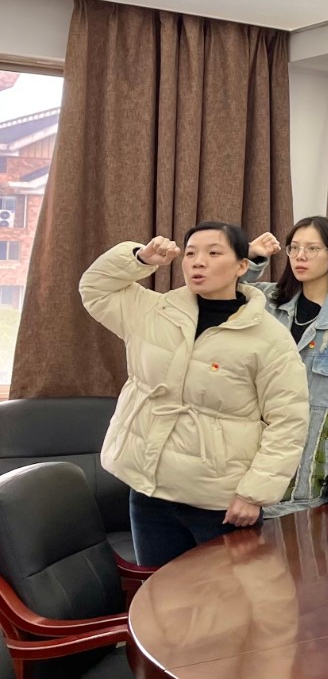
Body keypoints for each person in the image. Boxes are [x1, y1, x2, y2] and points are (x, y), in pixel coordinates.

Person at [79, 223, 309, 567]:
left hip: (220, 503)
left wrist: (254, 493)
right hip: (150, 490)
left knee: (225, 597)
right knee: (157, 591)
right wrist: (140, 258)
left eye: (214, 253)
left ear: (241, 266)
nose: (198, 261)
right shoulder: (153, 312)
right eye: (190, 253)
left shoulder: (269, 338)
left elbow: (288, 422)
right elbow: (95, 288)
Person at [241, 217, 328, 514]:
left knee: (300, 542)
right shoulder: (267, 301)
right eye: (294, 248)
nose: (300, 256)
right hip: (251, 456)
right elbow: (219, 292)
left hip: (309, 468)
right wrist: (251, 257)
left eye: (312, 248)